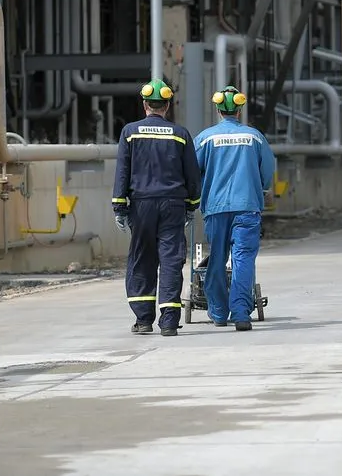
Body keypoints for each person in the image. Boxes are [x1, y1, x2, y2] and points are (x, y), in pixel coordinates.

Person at [111, 77, 201, 337]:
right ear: (167, 106)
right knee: (171, 260)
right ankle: (169, 322)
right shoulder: (181, 135)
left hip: (141, 205)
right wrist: (191, 206)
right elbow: (192, 175)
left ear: (145, 105)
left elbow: (122, 171)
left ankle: (143, 320)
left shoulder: (130, 132)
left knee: (142, 259)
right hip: (173, 204)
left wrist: (119, 206)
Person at [194, 85, 276, 332]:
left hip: (216, 208)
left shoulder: (205, 138)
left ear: (218, 109)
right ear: (239, 109)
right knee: (243, 259)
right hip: (247, 206)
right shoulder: (254, 137)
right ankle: (241, 314)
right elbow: (268, 170)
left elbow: (193, 171)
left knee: (217, 259)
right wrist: (259, 186)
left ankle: (218, 313)